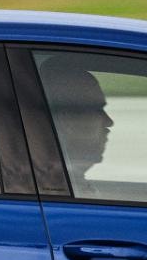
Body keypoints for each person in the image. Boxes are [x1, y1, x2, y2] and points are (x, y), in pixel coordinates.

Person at [39, 59, 113, 194]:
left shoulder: (65, 185)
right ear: (65, 118)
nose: (109, 122)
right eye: (96, 109)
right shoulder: (54, 193)